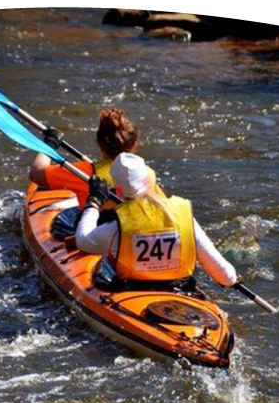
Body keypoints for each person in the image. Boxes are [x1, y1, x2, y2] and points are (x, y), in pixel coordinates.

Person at [75, 153, 237, 288]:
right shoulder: (184, 216)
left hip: (131, 292)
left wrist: (94, 202)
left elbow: (82, 241)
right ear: (150, 180)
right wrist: (236, 279)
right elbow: (227, 277)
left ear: (118, 190)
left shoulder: (117, 225)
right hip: (179, 291)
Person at [29, 107, 147, 210]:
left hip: (97, 228)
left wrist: (49, 145)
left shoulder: (86, 173)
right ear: (134, 144)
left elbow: (36, 173)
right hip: (131, 228)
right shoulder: (146, 172)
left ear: (99, 144)